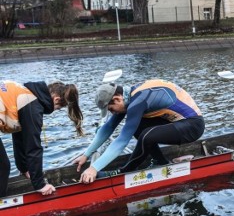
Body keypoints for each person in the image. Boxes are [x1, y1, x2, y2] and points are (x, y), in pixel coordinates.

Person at [76, 79, 205, 184]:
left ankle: (125, 171)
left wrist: (94, 168)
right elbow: (108, 128)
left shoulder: (138, 102)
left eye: (111, 109)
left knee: (145, 136)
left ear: (117, 99)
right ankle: (160, 161)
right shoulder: (129, 97)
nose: (112, 113)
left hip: (193, 125)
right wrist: (86, 154)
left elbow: (122, 141)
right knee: (138, 127)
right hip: (176, 122)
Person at [0, 81, 83, 196]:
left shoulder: (26, 93)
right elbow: (33, 147)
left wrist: (23, 168)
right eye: (58, 108)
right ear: (56, 99)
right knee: (2, 167)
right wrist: (40, 185)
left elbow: (19, 139)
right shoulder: (32, 105)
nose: (54, 110)